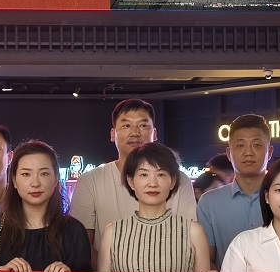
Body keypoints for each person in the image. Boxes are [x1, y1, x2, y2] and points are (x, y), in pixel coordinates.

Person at [69, 100, 196, 249]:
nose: (135, 133)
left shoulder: (179, 179)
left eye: (143, 125)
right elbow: (82, 246)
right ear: (113, 134)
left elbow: (189, 238)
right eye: (126, 126)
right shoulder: (90, 181)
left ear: (155, 133)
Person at [0, 141, 90, 272]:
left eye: (44, 174)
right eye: (26, 174)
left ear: (55, 179)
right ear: (14, 180)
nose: (35, 183)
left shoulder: (74, 231)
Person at [97, 142, 213, 272]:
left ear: (172, 181)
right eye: (144, 175)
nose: (152, 183)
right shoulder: (112, 233)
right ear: (131, 181)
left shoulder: (193, 232)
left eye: (161, 174)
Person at [198, 114, 273, 265]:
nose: (248, 152)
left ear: (269, 152)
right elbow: (206, 261)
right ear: (229, 154)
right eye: (240, 146)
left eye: (257, 145)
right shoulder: (209, 203)